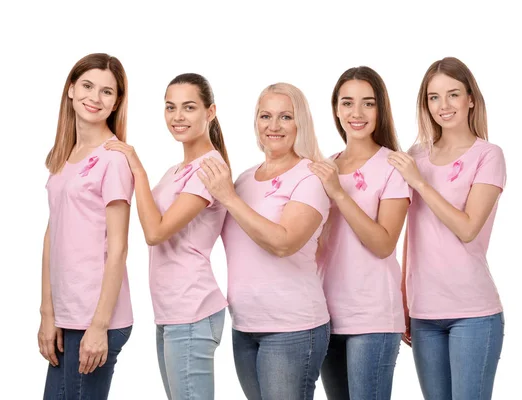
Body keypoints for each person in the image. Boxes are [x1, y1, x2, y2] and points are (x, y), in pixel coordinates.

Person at [197, 83, 330, 400]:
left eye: (285, 117)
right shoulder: (243, 179)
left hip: (292, 328)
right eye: (265, 116)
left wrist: (228, 197)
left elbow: (284, 243)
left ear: (301, 123)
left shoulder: (310, 177)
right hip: (244, 325)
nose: (273, 126)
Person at [104, 73, 229, 400]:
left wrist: (138, 170)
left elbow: (156, 232)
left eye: (189, 107)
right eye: (170, 107)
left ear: (210, 112)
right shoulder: (177, 170)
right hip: (173, 311)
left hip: (193, 309)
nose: (177, 116)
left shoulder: (209, 169)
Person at [388, 57, 506, 400]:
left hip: (474, 313)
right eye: (433, 97)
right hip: (425, 313)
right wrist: (404, 299)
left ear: (471, 98)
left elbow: (467, 228)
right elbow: (412, 236)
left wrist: (420, 184)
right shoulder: (417, 155)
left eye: (453, 94)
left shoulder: (488, 155)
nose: (443, 105)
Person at [310, 66, 410, 400]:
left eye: (368, 103)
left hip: (373, 317)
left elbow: (383, 244)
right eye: (347, 102)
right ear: (336, 108)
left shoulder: (394, 165)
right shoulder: (324, 165)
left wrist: (339, 193)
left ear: (381, 109)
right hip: (325, 314)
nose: (356, 113)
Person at [39, 53, 134, 399]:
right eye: (88, 86)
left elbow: (119, 247)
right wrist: (48, 312)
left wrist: (98, 326)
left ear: (116, 102)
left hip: (97, 319)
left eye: (107, 92)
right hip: (68, 315)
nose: (95, 97)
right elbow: (53, 235)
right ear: (70, 90)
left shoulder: (114, 158)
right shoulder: (64, 157)